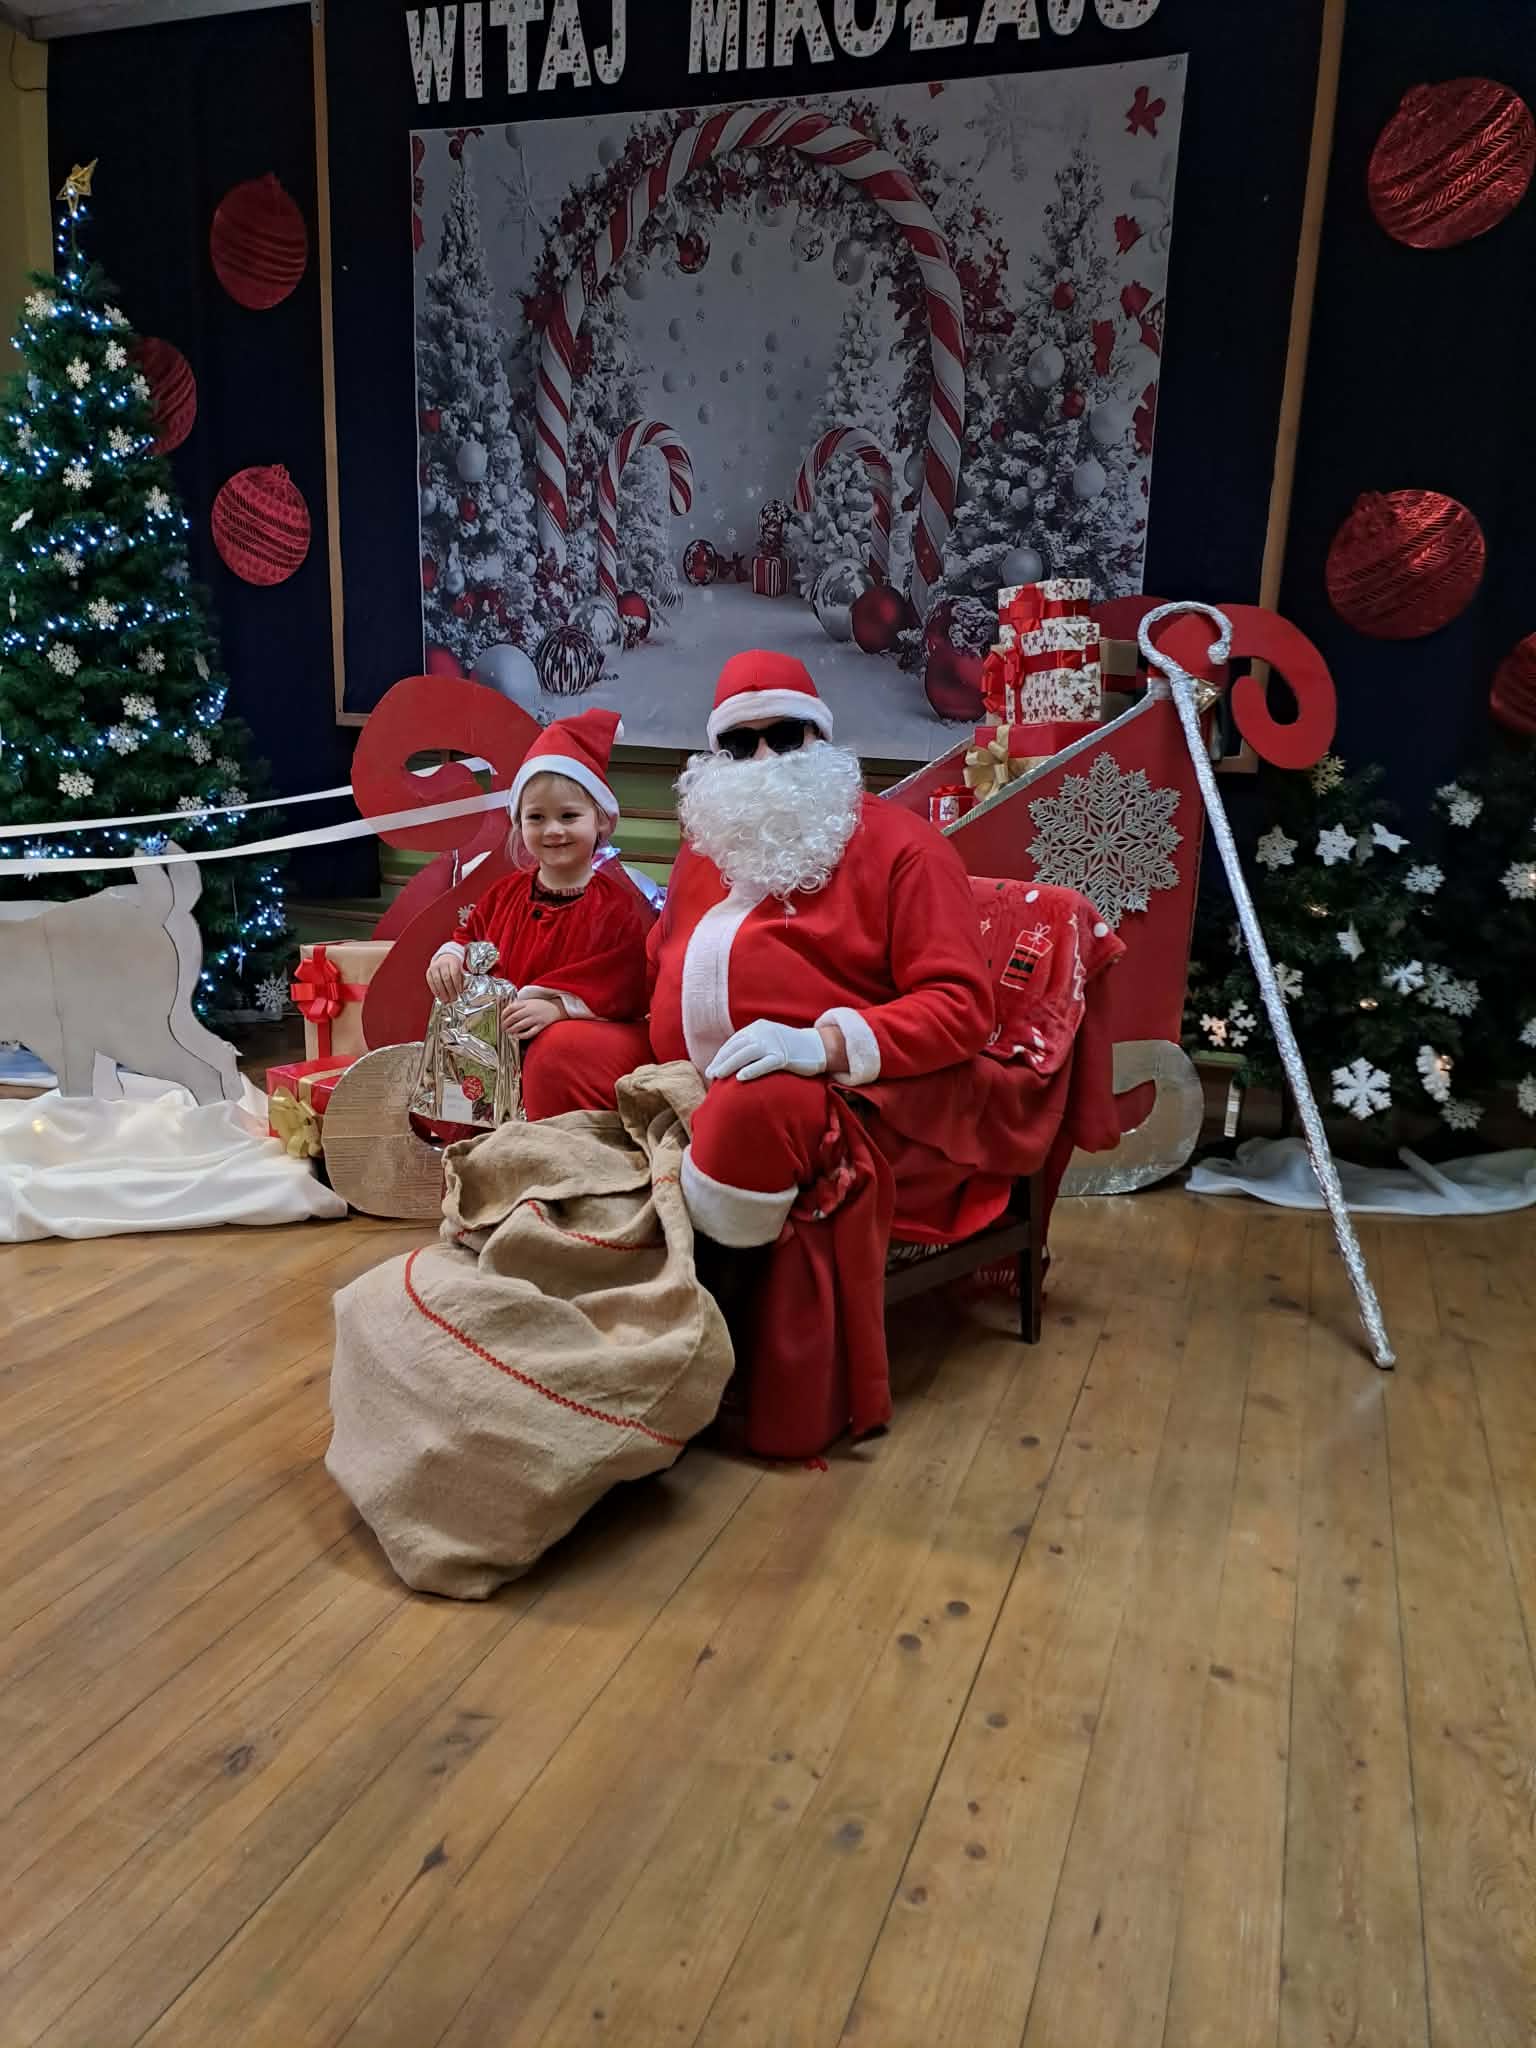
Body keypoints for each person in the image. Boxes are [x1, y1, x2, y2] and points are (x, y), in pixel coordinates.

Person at [527, 651, 1123, 1455]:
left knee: (751, 1106)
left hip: (835, 1091)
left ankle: (709, 1343)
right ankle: (579, 1289)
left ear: (823, 740)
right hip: (694, 1071)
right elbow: (650, 970)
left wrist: (822, 1043)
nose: (764, 759)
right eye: (740, 744)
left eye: (785, 736)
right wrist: (568, 1002)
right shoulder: (705, 849)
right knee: (560, 1055)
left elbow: (960, 1008)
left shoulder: (905, 849)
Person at [425, 709, 653, 1110]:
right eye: (536, 817)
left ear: (600, 821)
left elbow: (624, 985)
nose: (553, 830)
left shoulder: (614, 910)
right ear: (520, 825)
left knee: (552, 1060)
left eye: (569, 816)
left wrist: (558, 1008)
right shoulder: (504, 895)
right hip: (496, 1047)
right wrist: (450, 957)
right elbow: (470, 937)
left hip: (563, 1052)